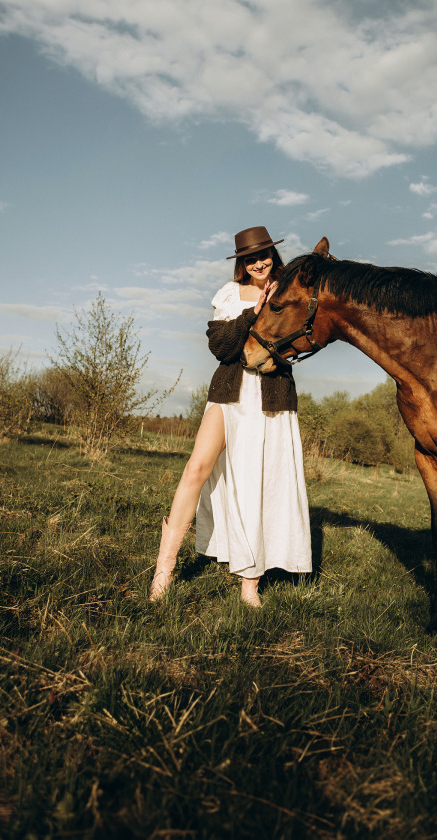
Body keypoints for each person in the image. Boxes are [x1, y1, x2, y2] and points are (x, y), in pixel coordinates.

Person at [149, 225, 312, 606]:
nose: (259, 262)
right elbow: (221, 348)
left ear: (273, 254)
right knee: (196, 468)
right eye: (250, 257)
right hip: (229, 390)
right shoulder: (229, 294)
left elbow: (303, 336)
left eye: (264, 254)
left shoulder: (289, 292)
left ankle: (249, 585)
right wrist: (252, 313)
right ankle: (164, 569)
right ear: (242, 261)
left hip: (272, 396)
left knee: (260, 484)